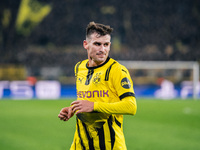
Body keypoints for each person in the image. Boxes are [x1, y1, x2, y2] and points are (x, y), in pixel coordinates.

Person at [58, 21, 137, 150]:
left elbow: (131, 106)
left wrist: (94, 106)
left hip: (110, 145)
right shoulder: (79, 67)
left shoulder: (117, 70)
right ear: (86, 44)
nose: (102, 49)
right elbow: (87, 97)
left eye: (106, 44)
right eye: (97, 44)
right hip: (80, 144)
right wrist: (73, 109)